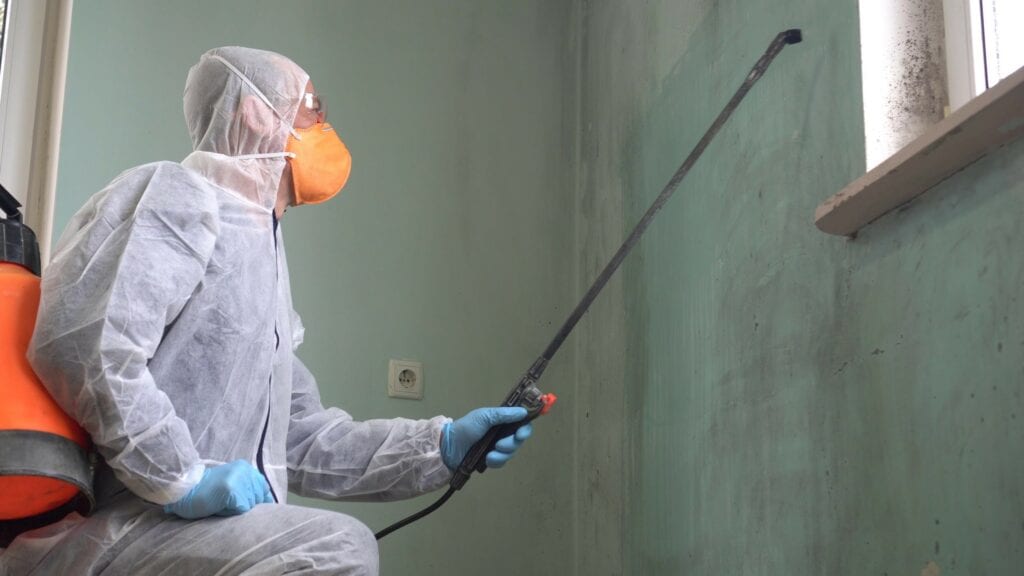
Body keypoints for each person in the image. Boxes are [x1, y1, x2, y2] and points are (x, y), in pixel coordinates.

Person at [0, 46, 532, 575]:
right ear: (255, 111)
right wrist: (181, 480)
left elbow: (299, 439)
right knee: (333, 548)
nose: (324, 122)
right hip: (120, 529)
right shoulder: (178, 197)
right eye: (312, 106)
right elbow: (86, 345)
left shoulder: (262, 259)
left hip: (196, 539)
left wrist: (440, 447)